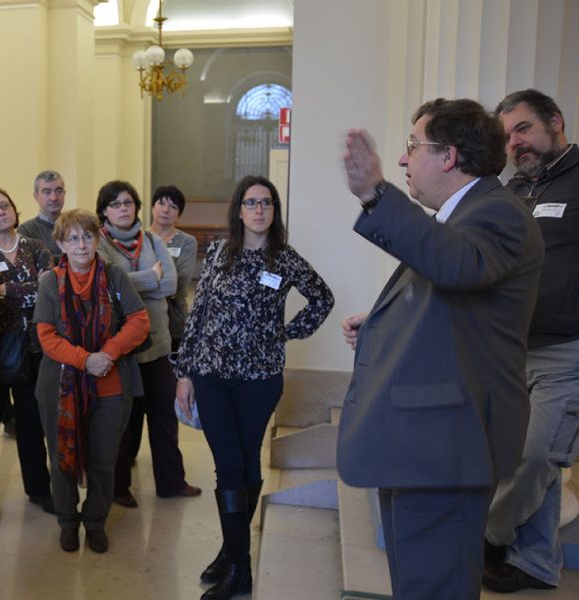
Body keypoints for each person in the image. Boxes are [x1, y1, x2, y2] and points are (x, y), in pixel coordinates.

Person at [338, 98, 544, 600]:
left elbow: (458, 266)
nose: (405, 160)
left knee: (435, 587)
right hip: (423, 444)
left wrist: (375, 193)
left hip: (447, 446)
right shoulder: (461, 218)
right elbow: (455, 297)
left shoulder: (498, 212)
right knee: (417, 583)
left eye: (413, 147)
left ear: (449, 156)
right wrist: (382, 322)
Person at [175, 175, 334, 600]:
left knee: (245, 463)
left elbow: (322, 298)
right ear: (239, 210)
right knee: (228, 463)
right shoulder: (219, 254)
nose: (259, 209)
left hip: (259, 378)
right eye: (251, 202)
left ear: (274, 211)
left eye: (266, 202)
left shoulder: (285, 259)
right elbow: (199, 311)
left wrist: (286, 333)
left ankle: (234, 558)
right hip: (210, 374)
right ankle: (238, 561)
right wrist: (185, 372)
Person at [482, 88, 579, 593]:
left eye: (523, 129)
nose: (515, 142)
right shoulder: (514, 189)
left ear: (555, 122)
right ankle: (538, 562)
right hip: (513, 350)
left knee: (539, 456)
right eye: (507, 136)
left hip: (568, 352)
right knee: (522, 458)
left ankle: (490, 534)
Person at [35, 208, 150, 554]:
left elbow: (139, 321)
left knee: (104, 460)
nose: (82, 244)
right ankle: (68, 521)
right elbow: (46, 336)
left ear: (97, 239)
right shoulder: (50, 282)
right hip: (60, 389)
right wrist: (87, 360)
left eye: (87, 236)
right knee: (62, 458)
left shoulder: (115, 277)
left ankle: (96, 521)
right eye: (73, 238)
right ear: (60, 243)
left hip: (111, 385)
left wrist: (109, 353)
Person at [95, 180, 199, 507]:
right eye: (115, 204)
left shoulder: (152, 240)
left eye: (128, 203)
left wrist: (134, 283)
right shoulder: (100, 244)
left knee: (164, 419)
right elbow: (106, 289)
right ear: (104, 212)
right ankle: (119, 488)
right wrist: (148, 278)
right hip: (122, 347)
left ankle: (171, 482)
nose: (123, 209)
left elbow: (169, 285)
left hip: (158, 344)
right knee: (125, 423)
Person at [0, 187, 55, 524]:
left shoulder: (37, 248)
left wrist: (8, 290)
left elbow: (51, 289)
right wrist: (24, 292)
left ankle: (38, 488)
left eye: (5, 205)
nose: (2, 211)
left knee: (32, 422)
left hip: (34, 347)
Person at [148, 185, 199, 349]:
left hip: (174, 319)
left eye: (173, 206)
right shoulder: (140, 238)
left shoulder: (187, 242)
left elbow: (180, 282)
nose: (166, 210)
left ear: (179, 215)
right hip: (143, 316)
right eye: (161, 203)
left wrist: (145, 281)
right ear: (152, 208)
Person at [18, 170, 66, 256]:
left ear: (64, 194)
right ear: (36, 196)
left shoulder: (76, 227)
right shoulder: (26, 231)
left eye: (59, 191)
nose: (54, 198)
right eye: (47, 192)